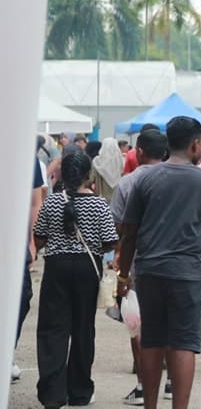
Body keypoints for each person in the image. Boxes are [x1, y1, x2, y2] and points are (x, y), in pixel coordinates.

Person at [116, 116, 201, 409]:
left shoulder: (144, 179)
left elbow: (128, 233)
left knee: (152, 340)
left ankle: (150, 405)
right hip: (189, 273)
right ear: (195, 145)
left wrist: (123, 274)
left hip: (150, 271)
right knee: (183, 343)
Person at [34, 150, 119, 409]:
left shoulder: (51, 202)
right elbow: (110, 241)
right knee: (83, 329)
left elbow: (39, 237)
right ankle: (80, 391)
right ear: (88, 175)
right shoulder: (99, 204)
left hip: (56, 268)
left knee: (53, 329)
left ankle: (52, 393)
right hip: (86, 269)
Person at [109, 129, 168, 406]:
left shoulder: (127, 184)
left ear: (139, 152)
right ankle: (169, 382)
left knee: (138, 324)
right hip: (173, 261)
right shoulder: (181, 180)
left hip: (138, 262)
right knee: (169, 322)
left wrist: (121, 267)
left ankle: (144, 385)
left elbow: (120, 230)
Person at [14, 157, 46, 384]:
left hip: (15, 243)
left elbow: (35, 202)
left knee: (22, 297)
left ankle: (8, 350)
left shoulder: (24, 151)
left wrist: (32, 243)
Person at [91, 137, 124, 202]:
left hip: (101, 197)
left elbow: (92, 178)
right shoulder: (121, 160)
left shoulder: (97, 161)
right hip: (118, 196)